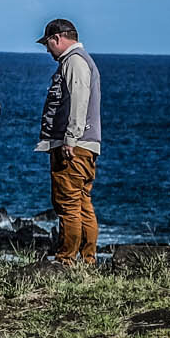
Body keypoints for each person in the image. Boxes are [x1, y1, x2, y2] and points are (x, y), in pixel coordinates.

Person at [35, 17, 103, 266]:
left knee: (68, 203)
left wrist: (70, 139)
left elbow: (78, 99)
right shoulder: (82, 60)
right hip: (86, 145)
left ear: (57, 39)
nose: (47, 50)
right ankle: (88, 258)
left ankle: (67, 259)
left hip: (74, 146)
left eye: (48, 44)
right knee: (82, 202)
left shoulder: (73, 61)